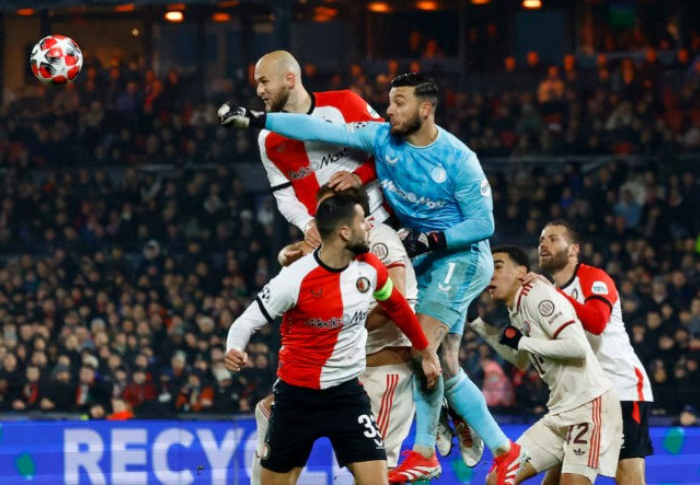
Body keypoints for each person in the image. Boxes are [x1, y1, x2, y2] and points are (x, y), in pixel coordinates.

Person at [219, 72, 525, 484]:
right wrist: (257, 119)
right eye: (389, 101)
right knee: (446, 363)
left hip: (460, 257)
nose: (389, 109)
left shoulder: (457, 157)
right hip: (422, 253)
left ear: (426, 108)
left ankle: (425, 452)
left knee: (422, 346)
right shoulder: (382, 138)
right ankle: (504, 448)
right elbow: (315, 127)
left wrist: (432, 237)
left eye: (399, 102)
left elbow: (483, 223)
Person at [225, 192, 440, 485]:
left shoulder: (369, 267)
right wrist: (234, 348)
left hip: (347, 396)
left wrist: (425, 351)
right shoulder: (295, 278)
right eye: (363, 221)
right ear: (344, 231)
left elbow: (398, 307)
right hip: (297, 397)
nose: (369, 226)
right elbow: (247, 321)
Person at [470, 246, 623, 484]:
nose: (491, 274)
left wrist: (522, 340)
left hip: (588, 405)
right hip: (559, 412)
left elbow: (577, 348)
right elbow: (520, 359)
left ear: (522, 271)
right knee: (498, 478)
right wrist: (478, 324)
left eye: (498, 267)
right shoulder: (516, 308)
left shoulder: (537, 294)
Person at [527, 220, 654, 484]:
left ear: (574, 249)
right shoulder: (550, 297)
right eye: (541, 240)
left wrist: (550, 293)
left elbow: (597, 322)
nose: (543, 244)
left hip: (621, 387)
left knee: (628, 477)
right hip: (582, 398)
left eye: (552, 239)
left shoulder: (593, 277)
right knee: (558, 478)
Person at [252, 50, 390, 248]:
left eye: (264, 81)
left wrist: (360, 176)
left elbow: (389, 148)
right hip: (332, 242)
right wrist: (307, 224)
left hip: (379, 221)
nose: (259, 90)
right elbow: (284, 197)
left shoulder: (345, 102)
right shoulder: (267, 139)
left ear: (289, 80)